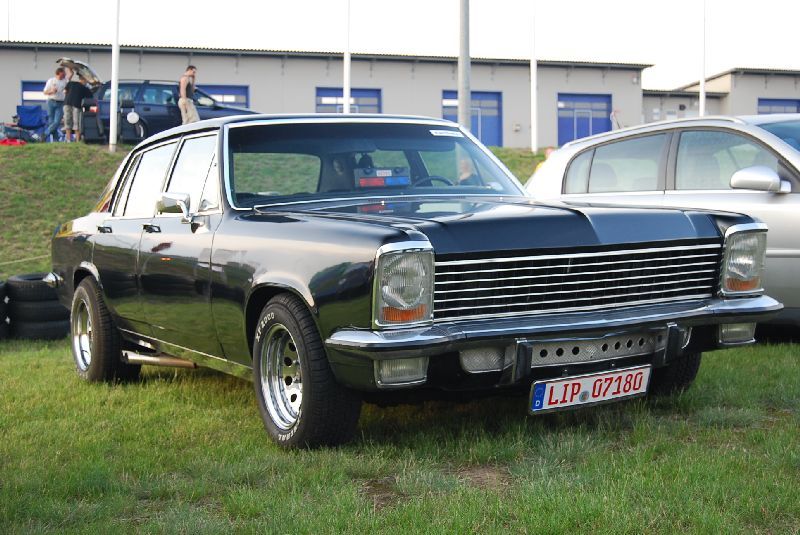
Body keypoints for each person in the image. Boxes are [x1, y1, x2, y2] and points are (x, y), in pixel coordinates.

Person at [62, 69, 93, 142]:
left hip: (67, 104)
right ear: (84, 79)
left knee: (68, 121)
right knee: (76, 122)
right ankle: (75, 140)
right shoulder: (85, 88)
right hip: (76, 105)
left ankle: (70, 140)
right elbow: (90, 97)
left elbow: (65, 92)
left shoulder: (71, 83)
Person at [43, 67, 67, 141]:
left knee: (57, 122)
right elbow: (45, 92)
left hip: (60, 102)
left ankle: (45, 134)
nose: (64, 75)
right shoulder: (51, 81)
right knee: (51, 122)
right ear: (58, 73)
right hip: (51, 101)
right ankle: (56, 140)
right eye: (63, 74)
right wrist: (52, 91)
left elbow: (70, 76)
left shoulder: (65, 81)